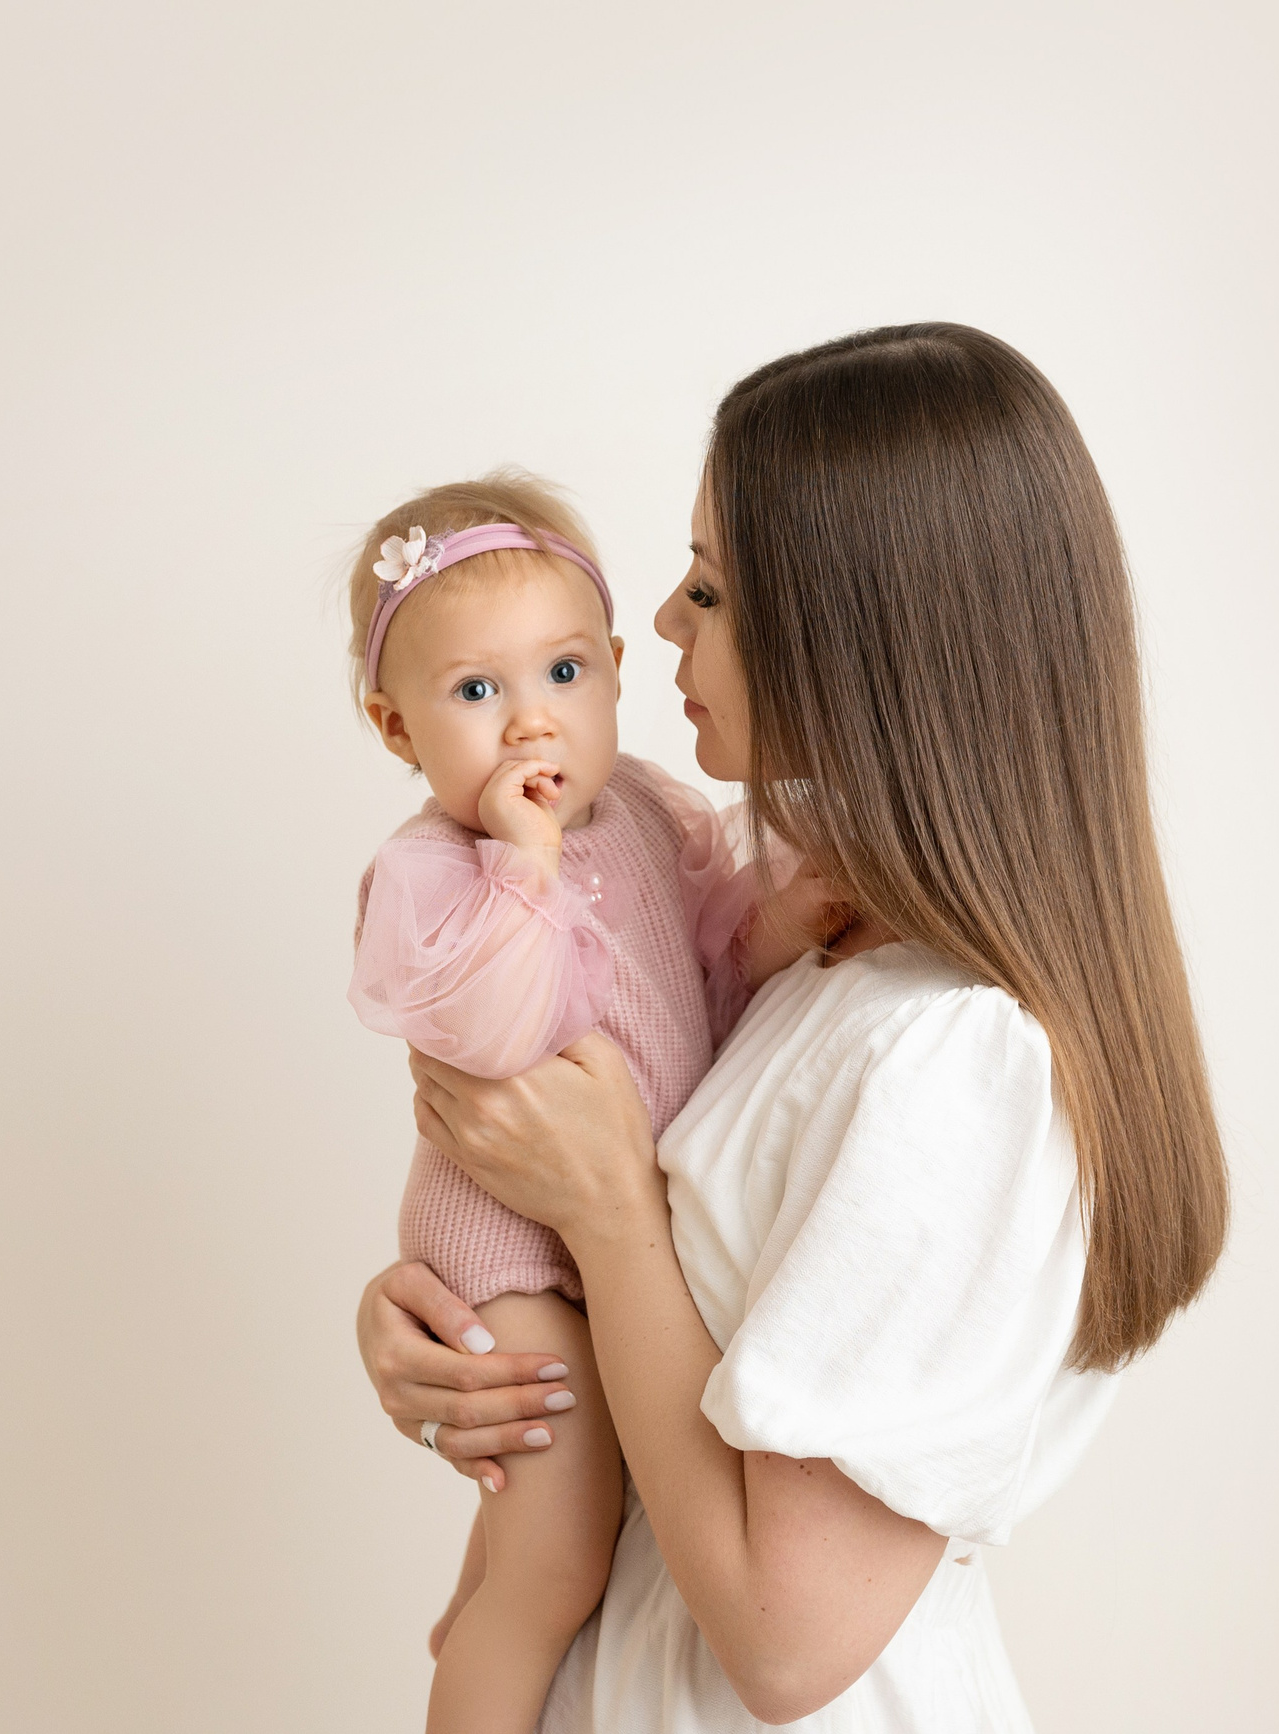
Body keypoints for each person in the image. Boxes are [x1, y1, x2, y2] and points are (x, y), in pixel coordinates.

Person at [356, 324, 1230, 1730]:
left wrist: (606, 1215)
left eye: (711, 584)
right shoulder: (817, 957)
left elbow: (784, 1641)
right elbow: (689, 1337)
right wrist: (451, 1329)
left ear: (857, 631)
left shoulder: (956, 1058)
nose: (661, 624)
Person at [344, 473, 822, 1732]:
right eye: (473, 694)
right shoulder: (434, 872)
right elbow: (496, 1033)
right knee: (553, 1568)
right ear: (399, 731)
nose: (528, 728)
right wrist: (525, 860)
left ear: (612, 669)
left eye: (560, 675)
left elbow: (712, 955)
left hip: (609, 1235)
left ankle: (474, 1633)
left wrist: (794, 918)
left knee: (554, 1535)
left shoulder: (656, 811)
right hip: (512, 1251)